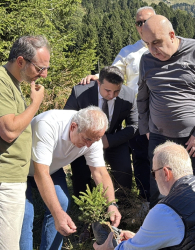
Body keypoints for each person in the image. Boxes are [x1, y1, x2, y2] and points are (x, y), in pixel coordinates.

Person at [93, 141, 195, 250]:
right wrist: (141, 238)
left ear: (165, 173)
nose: (154, 178)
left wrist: (106, 246)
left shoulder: (168, 209)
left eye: (153, 173)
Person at [138, 15, 195, 207]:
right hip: (159, 138)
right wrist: (145, 128)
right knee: (159, 192)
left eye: (157, 43)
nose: (153, 50)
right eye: (148, 44)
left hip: (193, 140)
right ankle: (161, 232)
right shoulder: (146, 60)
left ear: (172, 35)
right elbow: (142, 96)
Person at [0, 35, 48, 250]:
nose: (44, 74)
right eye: (40, 68)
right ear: (21, 61)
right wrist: (35, 104)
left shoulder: (11, 82)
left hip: (6, 177)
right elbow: (9, 130)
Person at [79, 6, 155, 201]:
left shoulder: (166, 48)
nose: (142, 26)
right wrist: (95, 77)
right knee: (139, 159)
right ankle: (141, 199)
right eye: (139, 22)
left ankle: (161, 200)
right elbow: (113, 71)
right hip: (138, 111)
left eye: (146, 21)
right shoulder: (129, 52)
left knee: (159, 157)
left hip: (161, 112)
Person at [20, 107, 122, 250]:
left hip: (51, 168)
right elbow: (40, 173)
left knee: (62, 203)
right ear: (74, 126)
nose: (89, 145)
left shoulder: (92, 136)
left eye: (95, 140)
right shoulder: (48, 124)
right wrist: (57, 214)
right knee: (24, 213)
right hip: (21, 168)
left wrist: (111, 204)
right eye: (87, 139)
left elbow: (99, 172)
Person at [64, 66, 137, 200]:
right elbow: (66, 118)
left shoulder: (129, 95)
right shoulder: (80, 92)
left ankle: (122, 203)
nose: (111, 95)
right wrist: (84, 137)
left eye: (116, 91)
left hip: (113, 138)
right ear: (98, 82)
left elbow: (134, 125)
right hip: (84, 140)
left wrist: (110, 141)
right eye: (107, 90)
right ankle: (85, 206)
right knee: (81, 173)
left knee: (124, 170)